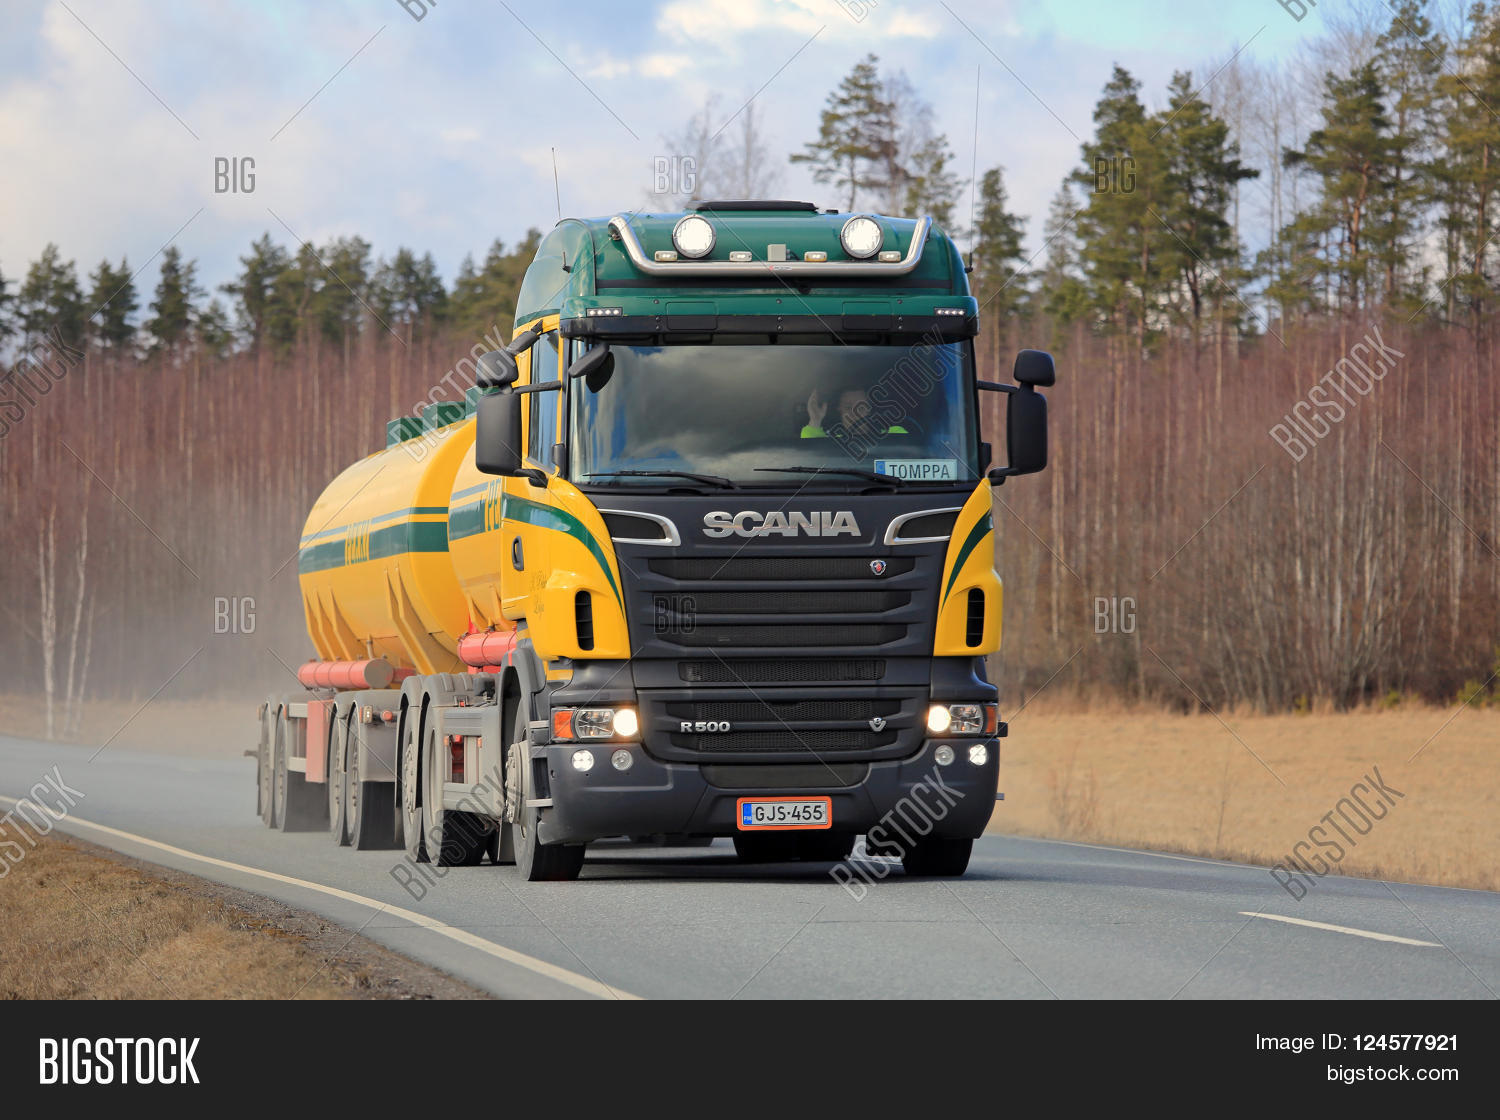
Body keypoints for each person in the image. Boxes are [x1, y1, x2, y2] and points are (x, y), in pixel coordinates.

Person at [800, 387, 908, 440]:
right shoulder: (830, 441)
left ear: (870, 410)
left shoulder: (894, 434)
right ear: (840, 410)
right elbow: (809, 452)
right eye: (848, 407)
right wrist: (815, 420)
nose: (854, 414)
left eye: (861, 408)